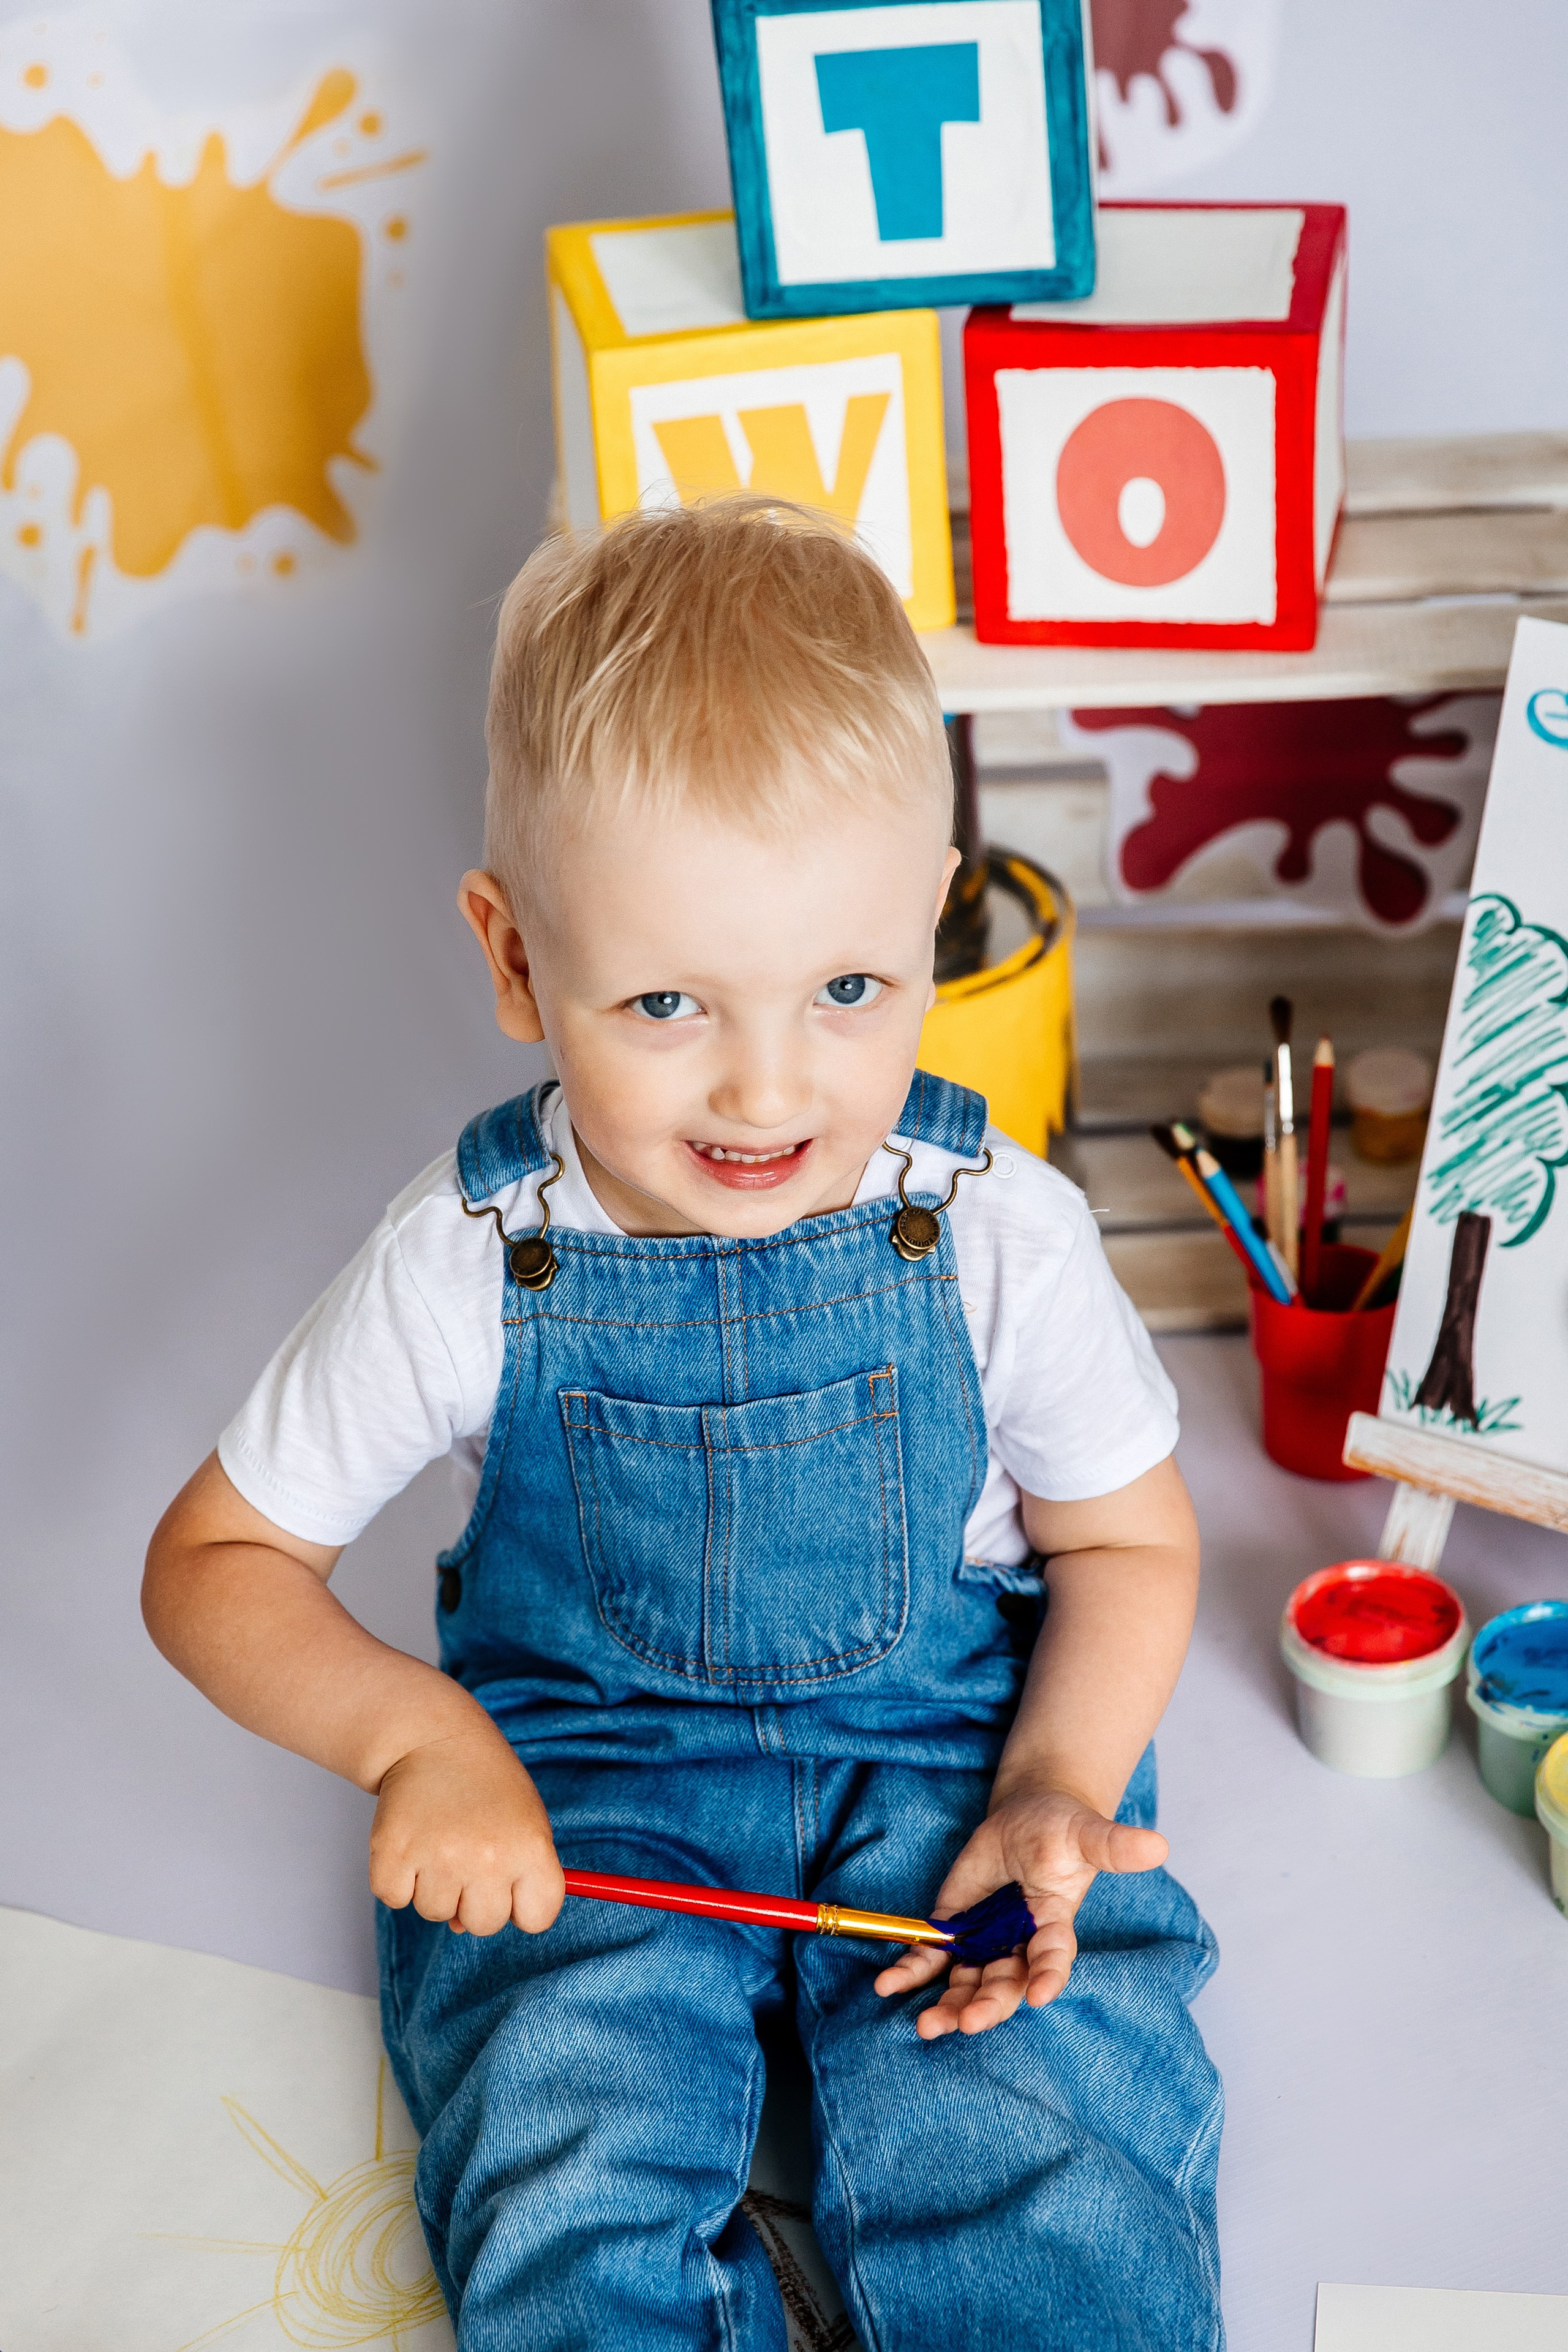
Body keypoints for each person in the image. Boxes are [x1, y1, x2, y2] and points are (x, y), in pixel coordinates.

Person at [144, 497, 1223, 2351]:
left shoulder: (995, 1231)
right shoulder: (470, 1261)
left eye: (848, 990)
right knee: (567, 2164)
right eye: (663, 1002)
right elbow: (217, 1563)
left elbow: (1125, 1539)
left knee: (1049, 2135)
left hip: (952, 1753)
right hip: (586, 1792)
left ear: (933, 928)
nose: (767, 1084)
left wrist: (1053, 1783)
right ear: (511, 958)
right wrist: (421, 1744)